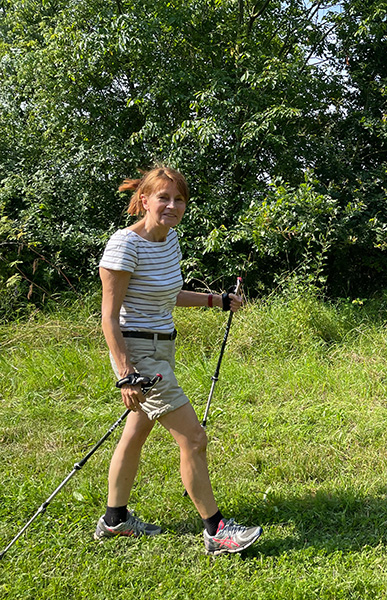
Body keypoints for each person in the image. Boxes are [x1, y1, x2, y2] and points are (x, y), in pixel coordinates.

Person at [95, 165, 261, 556]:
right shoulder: (124, 246)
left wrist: (214, 300)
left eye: (179, 199)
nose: (172, 205)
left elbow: (166, 295)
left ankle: (114, 520)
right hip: (139, 355)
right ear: (144, 200)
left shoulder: (168, 240)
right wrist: (126, 373)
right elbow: (108, 317)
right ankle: (216, 532)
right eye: (163, 197)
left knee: (134, 434)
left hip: (162, 347)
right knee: (194, 437)